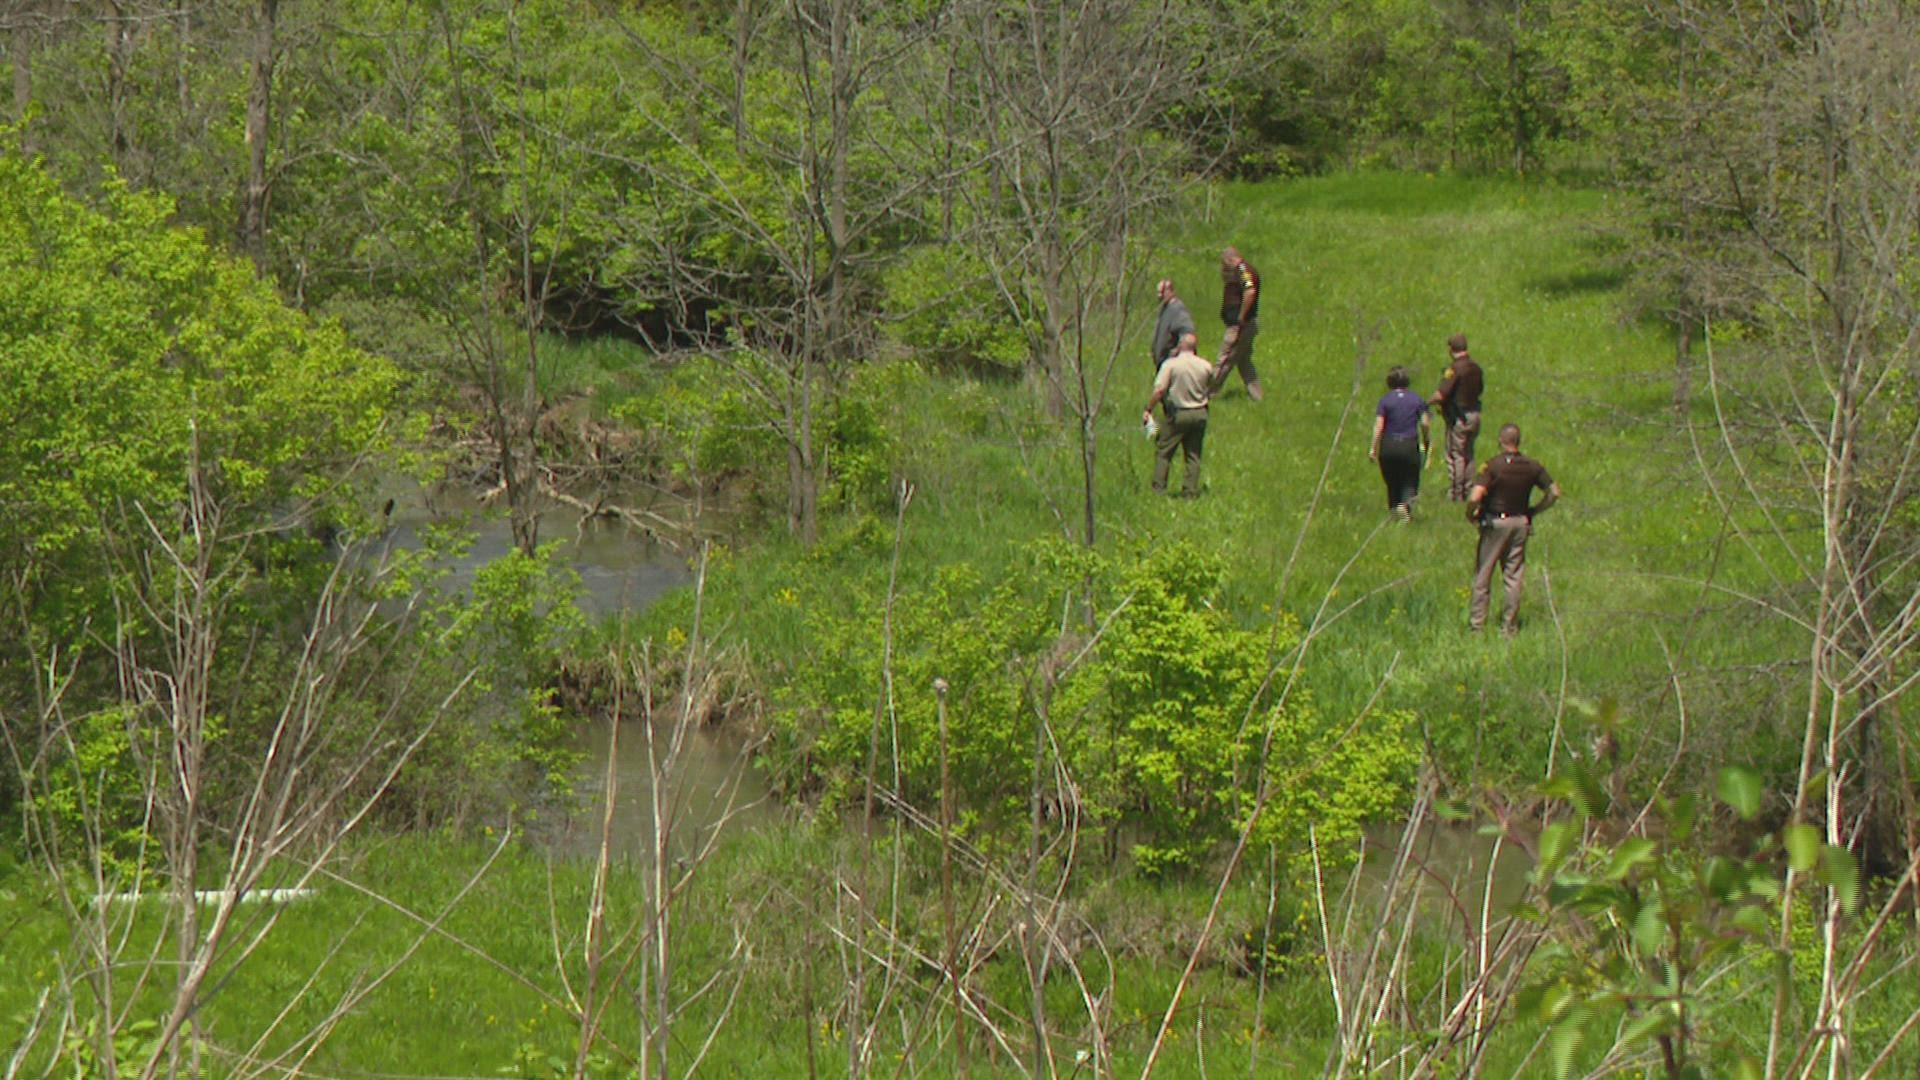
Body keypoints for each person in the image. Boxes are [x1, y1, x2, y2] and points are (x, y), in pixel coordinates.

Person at [1465, 423, 1562, 634]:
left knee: (1484, 574)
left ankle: (1477, 626)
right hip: (1520, 523)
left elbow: (1475, 496)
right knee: (1513, 575)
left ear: (1501, 441)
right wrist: (1535, 510)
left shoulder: (1492, 466)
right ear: (1518, 441)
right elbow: (1554, 492)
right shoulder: (1532, 466)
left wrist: (1470, 513)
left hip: (1495, 522)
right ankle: (1509, 626)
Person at [1144, 332, 1213, 497]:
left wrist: (1149, 409)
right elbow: (1210, 387)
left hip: (1179, 414)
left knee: (1164, 451)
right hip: (1200, 413)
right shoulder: (1205, 366)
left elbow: (1160, 390)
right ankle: (1190, 491)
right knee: (1193, 454)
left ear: (1180, 346)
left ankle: (1158, 490)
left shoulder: (1171, 365)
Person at [1369, 366, 1430, 521]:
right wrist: (1426, 440)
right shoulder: (1417, 399)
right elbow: (1424, 423)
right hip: (1409, 444)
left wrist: (1373, 448)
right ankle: (1405, 506)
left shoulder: (1385, 401)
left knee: (1392, 479)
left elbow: (1379, 426)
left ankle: (1394, 509)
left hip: (1389, 445)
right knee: (1410, 479)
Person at [1429, 333, 1484, 501]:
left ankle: (1456, 493)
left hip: (1459, 418)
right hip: (1474, 415)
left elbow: (1441, 394)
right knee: (1469, 453)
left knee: (1456, 455)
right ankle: (1468, 489)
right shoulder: (1476, 368)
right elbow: (1480, 390)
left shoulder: (1454, 369)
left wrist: (1426, 403)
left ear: (1451, 349)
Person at [1214, 247, 1264, 401]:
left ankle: (1205, 394)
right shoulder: (1242, 270)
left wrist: (1241, 317)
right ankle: (1257, 395)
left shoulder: (1242, 270)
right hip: (1245, 325)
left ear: (1230, 259)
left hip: (1241, 326)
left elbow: (1250, 291)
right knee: (1243, 361)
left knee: (1224, 359)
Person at [1149, 278, 1196, 371]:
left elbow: (1187, 333)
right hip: (1162, 364)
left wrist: (1177, 352)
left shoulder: (1177, 309)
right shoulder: (1164, 309)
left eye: (1162, 292)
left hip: (1173, 365)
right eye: (1158, 293)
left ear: (1170, 291)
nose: (1159, 296)